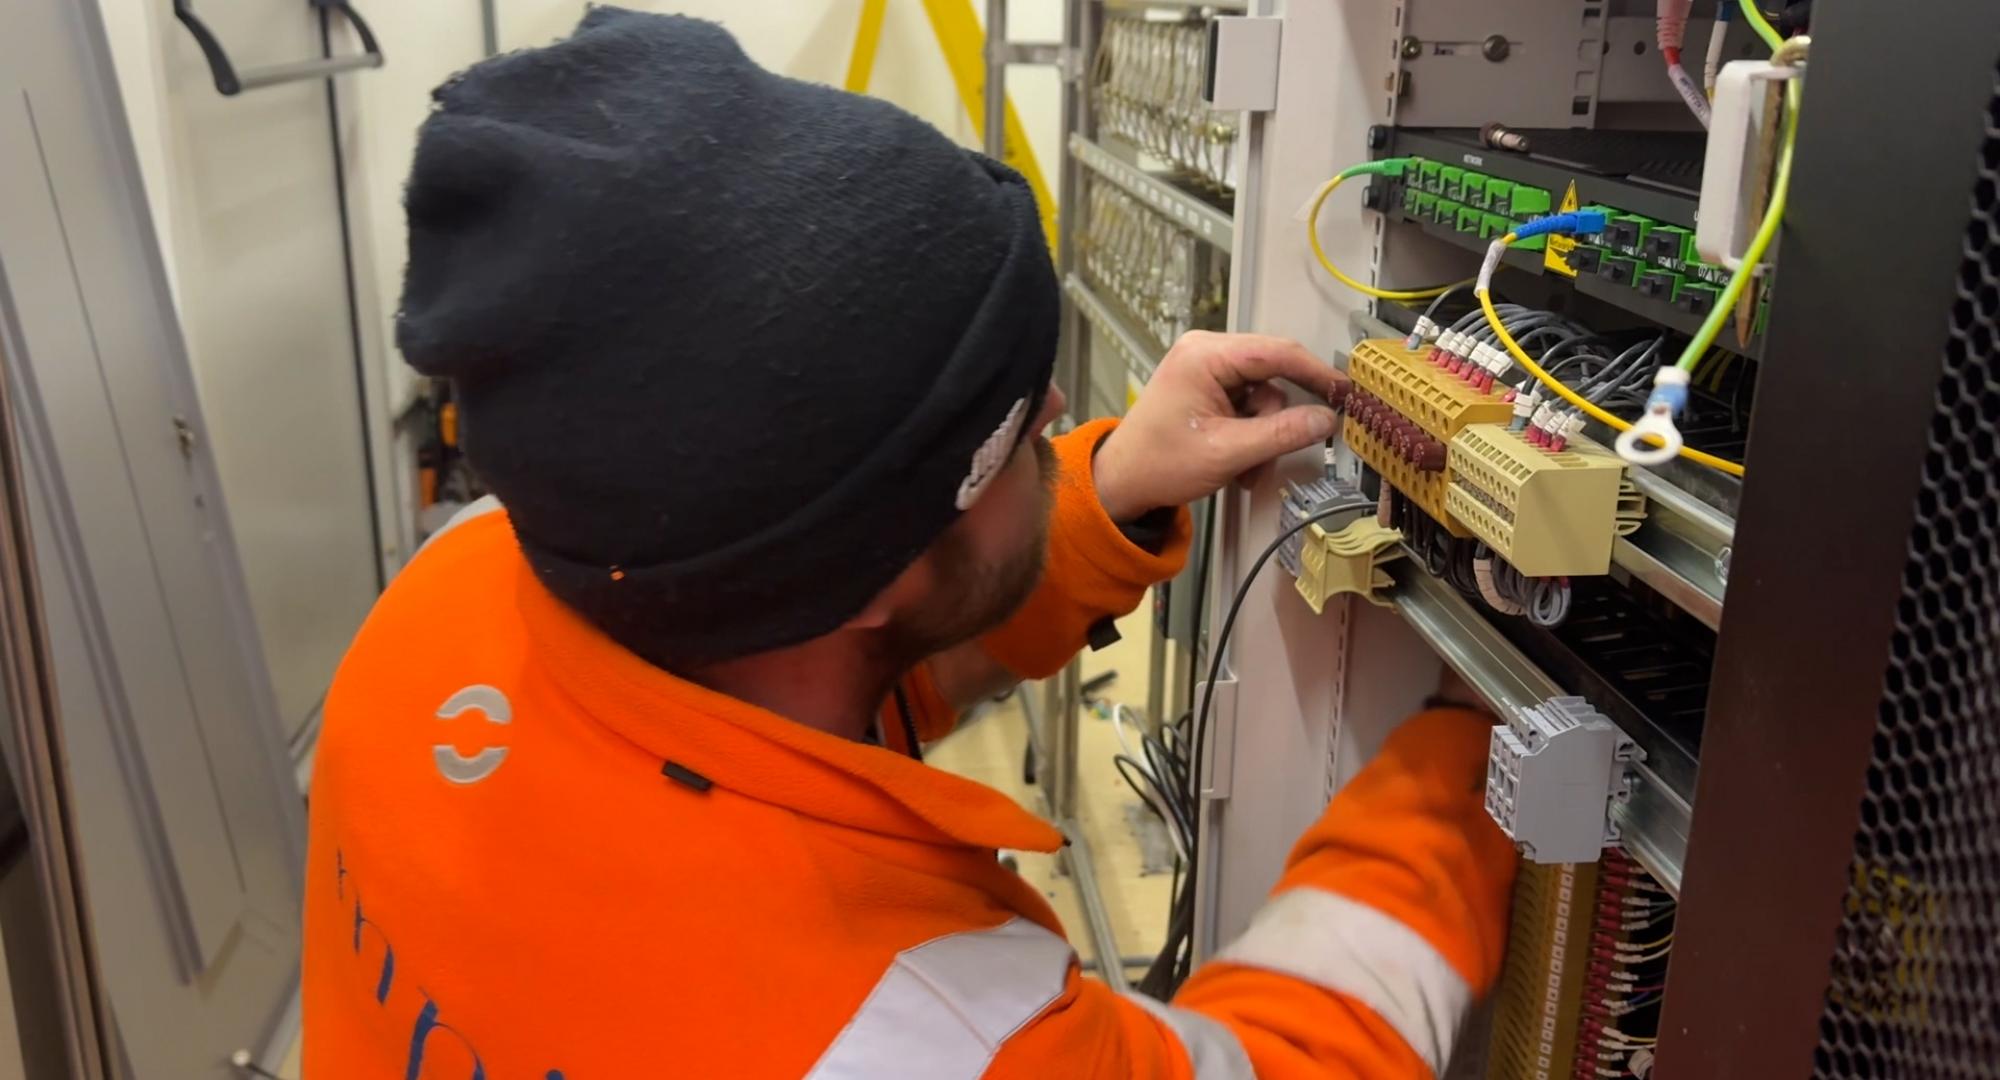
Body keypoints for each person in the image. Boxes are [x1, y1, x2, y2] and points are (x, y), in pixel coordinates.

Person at [302, 10, 1515, 1078]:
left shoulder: (455, 586)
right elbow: (1287, 1063)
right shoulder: (920, 1037)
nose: (1056, 414)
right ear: (865, 571)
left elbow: (803, 695)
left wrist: (1096, 492)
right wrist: (1477, 751)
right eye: (1015, 426)